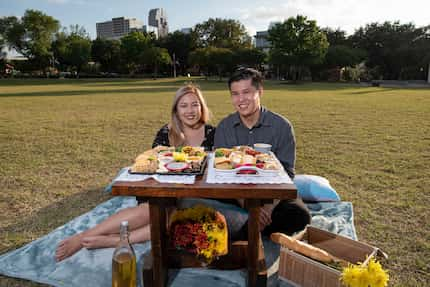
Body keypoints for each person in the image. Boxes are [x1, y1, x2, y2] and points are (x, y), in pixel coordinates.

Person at [55, 84, 215, 261]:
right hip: (163, 188)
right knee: (149, 211)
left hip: (195, 194)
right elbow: (153, 163)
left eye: (195, 104)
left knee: (174, 220)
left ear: (202, 107)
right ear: (176, 110)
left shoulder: (213, 133)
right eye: (183, 105)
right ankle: (84, 236)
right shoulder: (167, 132)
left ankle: (114, 241)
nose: (190, 111)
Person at [214, 67, 311, 237]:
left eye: (246, 92)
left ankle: (244, 228)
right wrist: (248, 205)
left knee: (300, 216)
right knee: (206, 205)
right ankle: (248, 224)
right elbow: (220, 172)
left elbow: (287, 172)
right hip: (235, 193)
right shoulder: (224, 127)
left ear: (260, 92)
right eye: (235, 94)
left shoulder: (282, 126)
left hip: (272, 194)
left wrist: (267, 207)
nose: (241, 99)